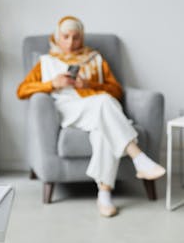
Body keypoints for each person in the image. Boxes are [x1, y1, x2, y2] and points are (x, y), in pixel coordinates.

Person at [16, 16, 165, 217]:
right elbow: (22, 90)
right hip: (68, 109)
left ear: (82, 37)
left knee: (104, 127)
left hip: (98, 108)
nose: (70, 42)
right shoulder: (46, 62)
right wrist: (53, 84)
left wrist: (90, 85)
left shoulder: (95, 59)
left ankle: (104, 195)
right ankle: (138, 157)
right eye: (66, 37)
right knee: (104, 102)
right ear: (57, 37)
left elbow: (117, 91)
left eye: (76, 37)